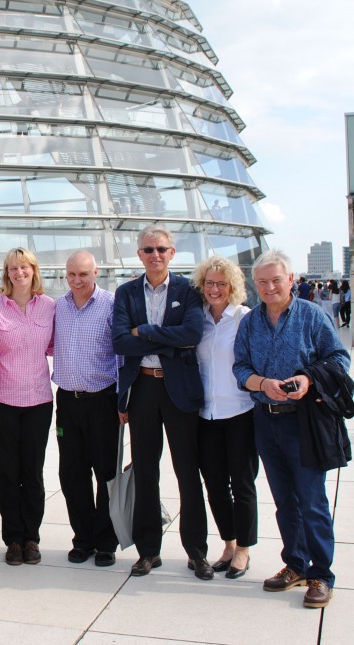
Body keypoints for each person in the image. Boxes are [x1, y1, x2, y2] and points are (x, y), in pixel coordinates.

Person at [233, 250, 349, 608]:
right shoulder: (250, 322)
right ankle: (295, 564)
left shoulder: (312, 315)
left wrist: (306, 378)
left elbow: (339, 358)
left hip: (304, 422)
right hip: (266, 420)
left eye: (276, 280)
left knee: (311, 500)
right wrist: (261, 382)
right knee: (285, 502)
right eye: (263, 282)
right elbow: (239, 367)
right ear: (256, 284)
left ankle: (321, 574)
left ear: (291, 279)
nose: (269, 287)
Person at [111, 226, 210, 579]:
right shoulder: (125, 293)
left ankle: (197, 551)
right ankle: (148, 551)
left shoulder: (189, 290)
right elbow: (121, 342)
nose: (155, 255)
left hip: (178, 390)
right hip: (143, 391)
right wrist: (168, 341)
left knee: (188, 472)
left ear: (172, 252)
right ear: (139, 254)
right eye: (148, 249)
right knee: (146, 472)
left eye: (162, 249)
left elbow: (193, 334)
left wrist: (147, 333)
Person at [0, 248, 54, 567]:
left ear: (34, 270)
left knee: (33, 474)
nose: (19, 273)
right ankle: (13, 539)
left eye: (24, 267)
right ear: (6, 273)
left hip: (39, 402)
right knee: (8, 474)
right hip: (3, 403)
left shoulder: (50, 307)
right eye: (12, 268)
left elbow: (55, 346)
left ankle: (32, 538)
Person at [190, 256, 257, 580]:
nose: (215, 289)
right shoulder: (198, 319)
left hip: (240, 411)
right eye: (209, 283)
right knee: (215, 486)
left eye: (221, 283)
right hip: (207, 414)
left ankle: (244, 549)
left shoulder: (245, 318)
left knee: (242, 484)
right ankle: (229, 544)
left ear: (232, 287)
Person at [52, 251, 120, 567]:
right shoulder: (59, 307)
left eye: (83, 274)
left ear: (95, 272)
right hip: (67, 402)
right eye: (71, 275)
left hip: (102, 401)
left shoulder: (110, 304)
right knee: (72, 474)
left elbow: (120, 354)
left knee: (105, 473)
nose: (77, 281)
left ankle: (106, 541)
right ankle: (83, 539)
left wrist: (124, 400)